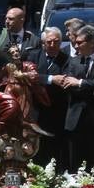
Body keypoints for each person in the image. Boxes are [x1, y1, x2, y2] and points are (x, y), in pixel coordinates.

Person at [57, 26, 94, 183]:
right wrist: (91, 86)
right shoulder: (74, 61)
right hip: (76, 120)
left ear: (92, 42)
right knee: (76, 164)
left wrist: (80, 83)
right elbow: (68, 85)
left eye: (80, 42)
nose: (75, 46)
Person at [30, 27, 72, 170]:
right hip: (36, 110)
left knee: (56, 148)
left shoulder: (67, 60)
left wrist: (40, 78)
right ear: (43, 43)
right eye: (49, 42)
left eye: (56, 42)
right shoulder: (33, 56)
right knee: (37, 148)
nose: (53, 45)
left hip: (57, 110)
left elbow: (65, 80)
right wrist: (51, 78)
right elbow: (29, 77)